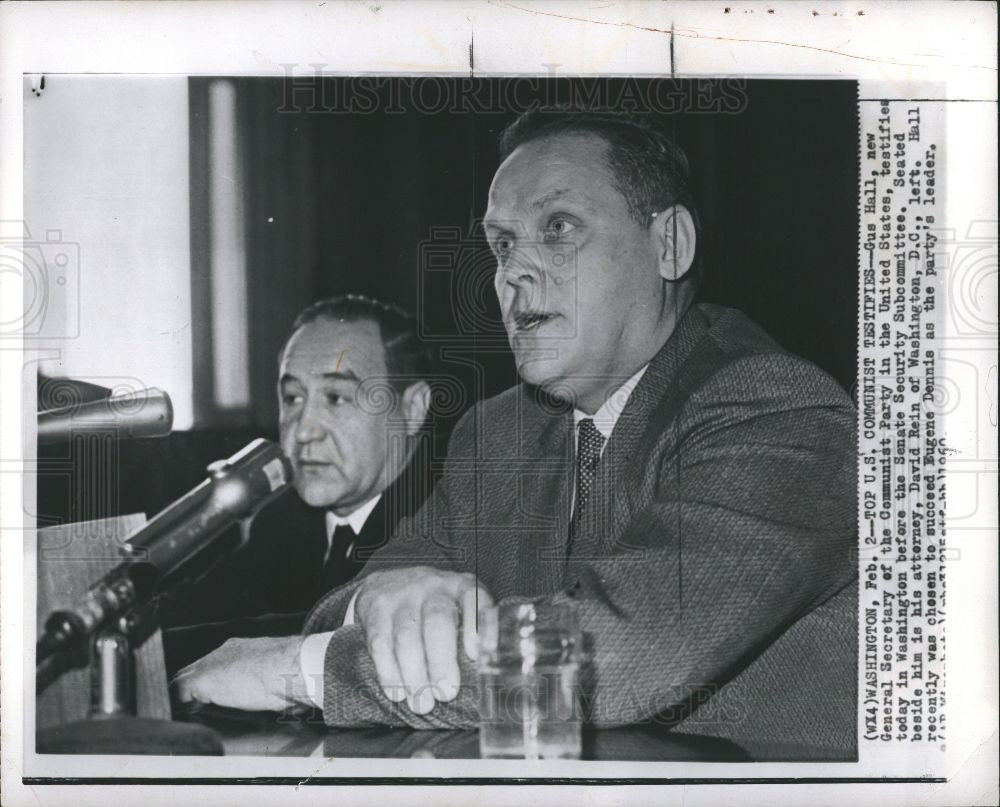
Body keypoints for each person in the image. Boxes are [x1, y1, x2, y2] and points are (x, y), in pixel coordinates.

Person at [175, 109, 857, 756]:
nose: (511, 272)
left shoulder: (778, 408)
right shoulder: (496, 432)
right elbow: (344, 605)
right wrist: (380, 599)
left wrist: (302, 672)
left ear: (669, 245)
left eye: (558, 227)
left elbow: (614, 657)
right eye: (502, 244)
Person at [160, 294, 436, 672]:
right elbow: (186, 616)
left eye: (336, 398)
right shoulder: (285, 518)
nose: (303, 431)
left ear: (413, 409)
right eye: (292, 398)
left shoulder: (443, 521)